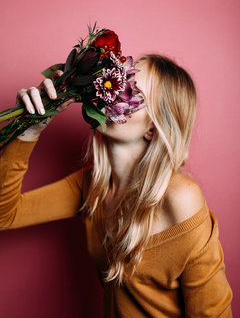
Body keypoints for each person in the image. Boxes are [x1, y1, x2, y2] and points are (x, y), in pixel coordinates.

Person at [0, 54, 233, 317]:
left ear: (152, 130)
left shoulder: (180, 198)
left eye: (134, 92)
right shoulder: (91, 187)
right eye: (121, 78)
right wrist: (28, 130)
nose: (115, 92)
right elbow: (4, 214)